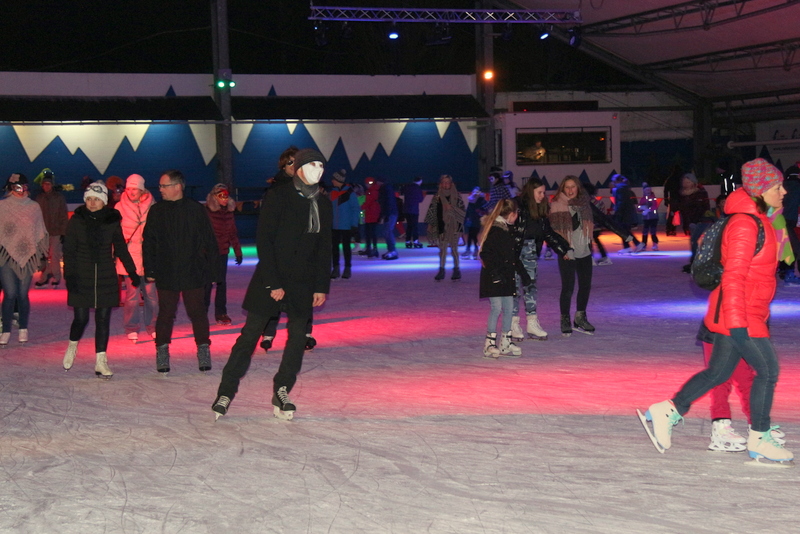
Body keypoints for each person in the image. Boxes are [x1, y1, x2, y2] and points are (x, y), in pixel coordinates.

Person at [638, 158, 793, 465]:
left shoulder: (759, 219)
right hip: (740, 313)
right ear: (761, 191)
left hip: (744, 311)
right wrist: (737, 322)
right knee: (768, 370)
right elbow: (733, 276)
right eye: (778, 186)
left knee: (718, 373)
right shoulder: (746, 223)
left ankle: (667, 410)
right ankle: (760, 438)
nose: (784, 191)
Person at [213, 148, 332, 421]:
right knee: (250, 335)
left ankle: (282, 390)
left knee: (297, 338)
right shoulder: (278, 197)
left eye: (321, 166)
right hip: (271, 277)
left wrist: (321, 285)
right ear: (298, 168)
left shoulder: (323, 204)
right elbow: (264, 240)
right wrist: (273, 282)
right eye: (312, 165)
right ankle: (226, 391)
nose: (318, 170)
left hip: (303, 281)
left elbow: (324, 247)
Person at [143, 170, 218, 374]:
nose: (160, 189)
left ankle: (203, 349)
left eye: (164, 186)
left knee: (197, 312)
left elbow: (209, 240)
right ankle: (162, 351)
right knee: (166, 313)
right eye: (160, 186)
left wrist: (213, 271)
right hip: (166, 271)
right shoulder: (157, 211)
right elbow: (149, 241)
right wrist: (150, 268)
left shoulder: (195, 209)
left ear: (177, 187)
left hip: (193, 271)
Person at [62, 181, 139, 377]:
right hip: (81, 275)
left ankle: (100, 361)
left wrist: (132, 272)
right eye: (89, 199)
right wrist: (69, 277)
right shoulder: (76, 221)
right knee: (81, 319)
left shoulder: (111, 221)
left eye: (96, 199)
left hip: (106, 276)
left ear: (104, 201)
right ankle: (72, 345)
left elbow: (120, 248)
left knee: (103, 319)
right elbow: (69, 251)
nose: (92, 203)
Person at [509, 177, 571, 341]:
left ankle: (532, 323)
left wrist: (563, 248)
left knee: (530, 286)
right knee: (514, 287)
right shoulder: (515, 204)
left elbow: (547, 233)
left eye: (544, 192)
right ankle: (513, 323)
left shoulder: (541, 208)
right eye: (540, 192)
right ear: (531, 191)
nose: (542, 196)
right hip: (514, 251)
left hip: (530, 251)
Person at [0, 173, 48, 345]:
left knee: (22, 294)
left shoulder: (33, 207)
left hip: (27, 256)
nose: (21, 191)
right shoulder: (3, 206)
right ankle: (6, 330)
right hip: (6, 255)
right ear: (10, 188)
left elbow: (39, 231)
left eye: (24, 187)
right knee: (10, 293)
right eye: (17, 187)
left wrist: (41, 255)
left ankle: (23, 327)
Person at [478, 199, 529, 359]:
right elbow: (485, 253)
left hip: (506, 277)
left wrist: (524, 274)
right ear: (512, 214)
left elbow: (513, 257)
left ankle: (505, 342)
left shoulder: (507, 230)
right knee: (496, 308)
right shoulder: (496, 230)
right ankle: (489, 344)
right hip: (494, 278)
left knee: (509, 308)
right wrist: (495, 273)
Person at [550, 176, 596, 336]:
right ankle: (565, 319)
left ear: (578, 188)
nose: (570, 190)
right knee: (568, 287)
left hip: (584, 250)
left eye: (573, 187)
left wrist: (624, 234)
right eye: (567, 187)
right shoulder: (556, 205)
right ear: (562, 189)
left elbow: (599, 220)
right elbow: (554, 232)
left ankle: (580, 317)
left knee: (585, 286)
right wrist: (563, 250)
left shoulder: (584, 204)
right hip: (567, 252)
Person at [115, 173, 158, 343]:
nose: (131, 192)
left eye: (135, 189)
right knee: (132, 296)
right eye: (129, 189)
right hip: (129, 258)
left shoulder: (152, 206)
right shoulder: (119, 207)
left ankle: (153, 325)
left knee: (151, 295)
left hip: (149, 257)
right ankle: (131, 327)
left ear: (142, 190)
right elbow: (115, 233)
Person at [204, 183, 243, 325]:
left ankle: (221, 312)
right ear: (214, 197)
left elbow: (232, 233)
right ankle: (202, 312)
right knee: (207, 283)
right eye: (221, 196)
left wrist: (238, 251)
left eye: (226, 196)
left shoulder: (229, 213)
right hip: (208, 253)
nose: (225, 199)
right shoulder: (207, 212)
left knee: (221, 282)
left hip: (222, 252)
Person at [425, 174, 466, 281]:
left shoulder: (457, 196)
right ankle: (441, 270)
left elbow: (463, 213)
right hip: (441, 226)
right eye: (443, 182)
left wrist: (452, 209)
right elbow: (432, 212)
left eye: (447, 182)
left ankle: (456, 270)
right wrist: (430, 225)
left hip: (455, 227)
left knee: (454, 249)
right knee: (442, 250)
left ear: (451, 184)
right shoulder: (437, 197)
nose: (445, 184)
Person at [33, 170, 68, 288]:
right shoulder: (39, 198)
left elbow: (63, 215)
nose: (46, 186)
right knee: (45, 256)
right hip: (43, 233)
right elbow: (35, 216)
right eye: (44, 184)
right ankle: (46, 275)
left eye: (48, 184)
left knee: (54, 255)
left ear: (52, 185)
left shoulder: (59, 198)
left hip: (56, 231)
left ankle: (56, 276)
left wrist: (63, 232)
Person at [329, 169, 360, 279]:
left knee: (346, 247)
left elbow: (355, 209)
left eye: (333, 179)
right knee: (334, 248)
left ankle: (347, 268)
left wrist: (354, 224)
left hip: (346, 225)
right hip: (334, 225)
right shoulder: (332, 193)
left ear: (338, 180)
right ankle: (336, 268)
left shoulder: (350, 193)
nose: (332, 181)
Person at [612, 175, 643, 253]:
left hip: (624, 214)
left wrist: (617, 213)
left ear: (616, 181)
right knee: (625, 231)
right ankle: (629, 245)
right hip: (627, 213)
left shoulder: (620, 189)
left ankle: (635, 243)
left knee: (624, 231)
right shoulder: (625, 188)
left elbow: (621, 202)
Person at [461, 187, 486, 260]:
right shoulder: (471, 201)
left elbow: (485, 210)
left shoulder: (482, 201)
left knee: (473, 234)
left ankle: (472, 250)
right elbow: (468, 211)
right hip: (471, 220)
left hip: (478, 220)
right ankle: (473, 249)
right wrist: (466, 218)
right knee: (471, 234)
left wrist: (481, 213)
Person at [360, 177, 381, 258]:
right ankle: (371, 249)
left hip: (371, 214)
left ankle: (371, 249)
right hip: (373, 214)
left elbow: (368, 202)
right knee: (371, 232)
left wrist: (360, 207)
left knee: (369, 232)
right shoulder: (375, 190)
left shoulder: (371, 191)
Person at [378, 180, 399, 260]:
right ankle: (391, 250)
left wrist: (386, 215)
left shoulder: (386, 190)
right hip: (390, 213)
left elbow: (387, 203)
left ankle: (392, 250)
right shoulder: (386, 189)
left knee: (387, 231)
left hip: (390, 213)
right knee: (386, 231)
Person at [402, 176, 424, 248]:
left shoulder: (407, 187)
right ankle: (415, 241)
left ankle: (408, 241)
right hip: (414, 210)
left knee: (409, 226)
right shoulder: (418, 188)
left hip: (406, 209)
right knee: (415, 226)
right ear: (420, 181)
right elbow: (420, 199)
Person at [638, 182, 660, 251]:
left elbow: (655, 206)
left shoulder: (653, 198)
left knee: (653, 231)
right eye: (646, 190)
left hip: (653, 217)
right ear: (644, 191)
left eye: (649, 190)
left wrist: (648, 209)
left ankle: (655, 244)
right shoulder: (642, 199)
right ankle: (644, 244)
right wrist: (641, 208)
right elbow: (639, 207)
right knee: (645, 231)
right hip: (646, 218)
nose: (648, 191)